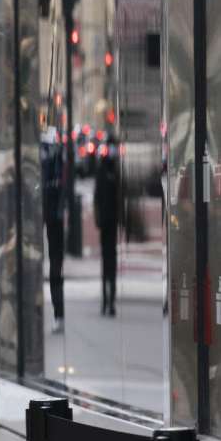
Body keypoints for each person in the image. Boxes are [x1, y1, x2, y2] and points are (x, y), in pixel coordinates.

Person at [40, 128, 66, 332]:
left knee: (53, 266)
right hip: (51, 215)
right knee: (54, 266)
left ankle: (58, 313)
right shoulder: (56, 157)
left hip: (49, 213)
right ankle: (58, 314)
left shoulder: (51, 158)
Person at [95, 136, 120, 318]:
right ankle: (106, 300)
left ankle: (110, 301)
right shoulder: (103, 169)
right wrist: (98, 218)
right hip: (105, 222)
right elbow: (97, 196)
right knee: (107, 263)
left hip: (111, 222)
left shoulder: (115, 169)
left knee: (111, 263)